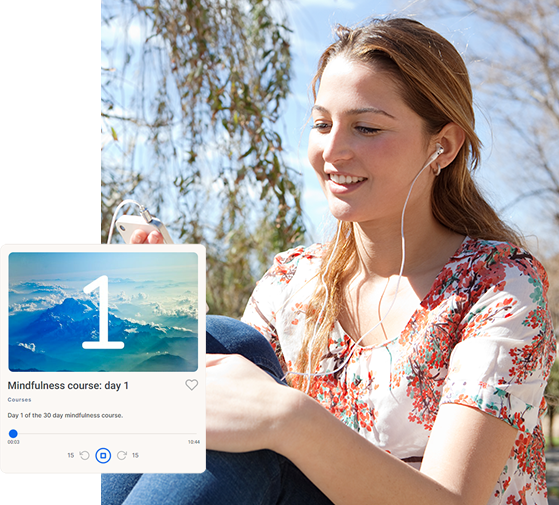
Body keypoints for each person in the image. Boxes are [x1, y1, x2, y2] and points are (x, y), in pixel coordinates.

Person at [103, 17, 556, 505]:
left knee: (256, 428)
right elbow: (229, 412)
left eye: (366, 127)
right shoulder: (292, 281)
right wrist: (166, 328)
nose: (333, 151)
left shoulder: (499, 286)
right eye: (322, 124)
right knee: (219, 340)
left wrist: (289, 420)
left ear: (441, 146)